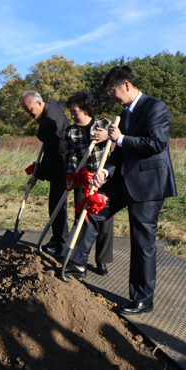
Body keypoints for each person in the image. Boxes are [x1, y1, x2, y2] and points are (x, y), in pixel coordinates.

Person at [63, 66, 176, 315]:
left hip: (148, 185)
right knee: (92, 208)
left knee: (141, 241)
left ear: (126, 84)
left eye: (112, 90)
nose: (111, 96)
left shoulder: (155, 108)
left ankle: (142, 299)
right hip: (122, 181)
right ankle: (77, 264)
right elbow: (120, 154)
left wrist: (121, 138)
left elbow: (157, 144)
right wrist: (105, 172)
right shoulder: (124, 115)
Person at [64, 91, 114, 276]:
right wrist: (71, 176)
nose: (72, 115)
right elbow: (71, 156)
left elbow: (117, 143)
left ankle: (102, 260)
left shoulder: (104, 124)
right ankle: (77, 260)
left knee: (104, 222)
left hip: (104, 179)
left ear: (86, 110)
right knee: (81, 219)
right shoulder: (71, 131)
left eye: (75, 111)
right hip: (83, 179)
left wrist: (107, 137)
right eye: (71, 111)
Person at [21, 90, 69, 256]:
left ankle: (62, 242)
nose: (28, 114)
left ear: (39, 103)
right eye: (25, 111)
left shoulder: (49, 121)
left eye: (29, 110)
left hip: (61, 161)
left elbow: (50, 154)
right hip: (56, 158)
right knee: (54, 202)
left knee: (57, 203)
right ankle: (57, 237)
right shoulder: (50, 104)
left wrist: (37, 175)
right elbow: (60, 104)